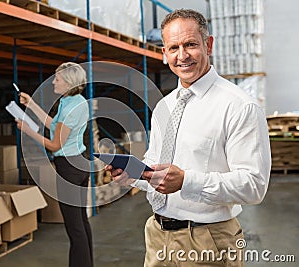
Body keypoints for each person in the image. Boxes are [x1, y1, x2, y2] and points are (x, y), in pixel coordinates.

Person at [107, 9, 271, 267]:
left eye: (190, 44)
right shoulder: (164, 106)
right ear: (164, 53)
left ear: (209, 44)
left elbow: (254, 186)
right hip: (157, 236)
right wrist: (135, 177)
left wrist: (187, 181)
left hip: (208, 241)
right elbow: (156, 169)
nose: (181, 56)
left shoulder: (239, 106)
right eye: (173, 48)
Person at [17, 62, 93, 267]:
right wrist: (31, 104)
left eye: (57, 78)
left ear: (68, 82)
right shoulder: (74, 100)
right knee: (81, 224)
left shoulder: (70, 107)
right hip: (79, 163)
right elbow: (53, 125)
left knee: (74, 228)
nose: (53, 81)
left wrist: (27, 130)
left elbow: (54, 144)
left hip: (69, 168)